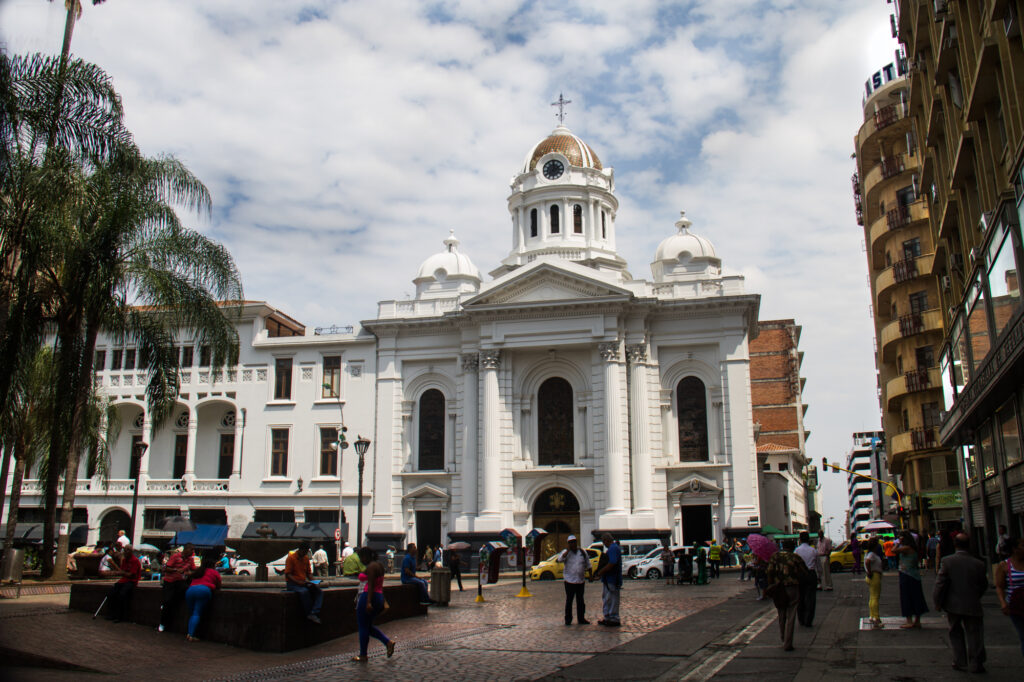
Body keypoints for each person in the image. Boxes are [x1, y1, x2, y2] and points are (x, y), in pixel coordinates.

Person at [934, 532, 987, 672]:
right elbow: (983, 584)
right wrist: (976, 596)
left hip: (953, 604)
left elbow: (940, 583)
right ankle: (976, 662)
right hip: (973, 603)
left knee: (955, 632)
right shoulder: (979, 564)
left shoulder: (947, 561)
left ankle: (959, 660)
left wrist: (938, 601)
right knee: (975, 634)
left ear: (955, 544)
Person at [352, 548, 395, 662]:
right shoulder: (379, 566)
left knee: (362, 626)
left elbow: (370, 585)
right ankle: (387, 642)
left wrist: (368, 602)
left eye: (361, 557)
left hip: (368, 596)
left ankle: (363, 655)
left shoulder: (371, 567)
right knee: (368, 626)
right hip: (379, 596)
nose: (361, 560)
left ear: (366, 556)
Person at [765, 540, 808, 651]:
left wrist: (771, 586)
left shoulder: (774, 557)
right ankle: (788, 643)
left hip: (779, 588)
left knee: (781, 614)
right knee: (791, 615)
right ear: (793, 547)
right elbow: (805, 572)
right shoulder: (795, 557)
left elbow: (769, 572)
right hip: (792, 587)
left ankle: (783, 637)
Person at [994, 535, 1024, 658]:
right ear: (1015, 549)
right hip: (1017, 607)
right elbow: (1000, 586)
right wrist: (1003, 603)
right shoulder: (1004, 566)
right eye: (1022, 545)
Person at [184, 551, 222, 642]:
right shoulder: (214, 572)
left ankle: (189, 633)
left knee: (192, 613)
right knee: (197, 613)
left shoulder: (199, 571)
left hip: (190, 590)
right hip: (203, 590)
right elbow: (219, 585)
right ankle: (191, 635)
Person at [158, 543, 195, 632]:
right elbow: (166, 568)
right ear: (186, 550)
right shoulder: (175, 557)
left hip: (180, 581)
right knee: (167, 601)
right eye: (191, 550)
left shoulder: (190, 559)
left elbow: (193, 569)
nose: (193, 552)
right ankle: (162, 623)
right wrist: (176, 570)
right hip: (170, 581)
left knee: (185, 591)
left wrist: (190, 573)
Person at [284, 541, 324, 624]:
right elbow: (288, 574)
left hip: (303, 583)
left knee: (319, 591)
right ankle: (309, 613)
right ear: (300, 550)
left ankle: (314, 612)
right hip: (292, 584)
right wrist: (298, 582)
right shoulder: (291, 558)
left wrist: (314, 582)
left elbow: (309, 573)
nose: (305, 553)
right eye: (304, 551)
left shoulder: (305, 558)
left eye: (306, 552)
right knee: (304, 592)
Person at [896, 530, 928, 629]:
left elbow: (894, 550)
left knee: (907, 597)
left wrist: (898, 543)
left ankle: (909, 621)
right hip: (914, 575)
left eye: (900, 537)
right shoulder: (913, 547)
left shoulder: (906, 548)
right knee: (916, 597)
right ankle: (917, 621)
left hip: (907, 575)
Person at [556, 535, 591, 625]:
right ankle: (568, 619)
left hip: (580, 580)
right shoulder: (566, 552)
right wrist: (567, 551)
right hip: (569, 581)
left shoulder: (582, 552)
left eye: (574, 542)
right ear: (568, 544)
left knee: (580, 601)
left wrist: (590, 575)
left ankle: (581, 618)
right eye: (571, 542)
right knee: (569, 601)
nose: (573, 544)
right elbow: (559, 559)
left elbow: (588, 564)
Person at [106, 545, 142, 623]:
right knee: (112, 592)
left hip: (132, 581)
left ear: (131, 552)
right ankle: (112, 614)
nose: (125, 552)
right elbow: (122, 571)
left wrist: (121, 572)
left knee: (122, 594)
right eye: (124, 551)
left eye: (127, 551)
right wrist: (120, 572)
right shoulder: (125, 560)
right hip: (124, 580)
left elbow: (131, 574)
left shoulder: (135, 560)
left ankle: (120, 616)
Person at [594, 533, 622, 626]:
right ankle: (608, 617)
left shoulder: (613, 549)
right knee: (607, 598)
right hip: (609, 579)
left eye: (603, 541)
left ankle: (613, 618)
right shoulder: (613, 548)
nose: (603, 544)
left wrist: (600, 572)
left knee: (611, 599)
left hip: (612, 579)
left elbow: (611, 563)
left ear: (607, 540)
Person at [793, 531, 818, 627]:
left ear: (800, 539)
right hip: (811, 574)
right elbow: (818, 566)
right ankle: (809, 620)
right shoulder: (813, 550)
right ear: (808, 539)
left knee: (800, 598)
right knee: (811, 598)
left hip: (800, 575)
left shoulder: (797, 550)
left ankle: (801, 619)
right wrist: (819, 576)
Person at [865, 538, 884, 629]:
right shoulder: (872, 554)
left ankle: (872, 615)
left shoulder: (869, 553)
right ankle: (877, 618)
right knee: (875, 597)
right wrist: (869, 571)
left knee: (872, 597)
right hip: (874, 575)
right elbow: (867, 562)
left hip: (872, 576)